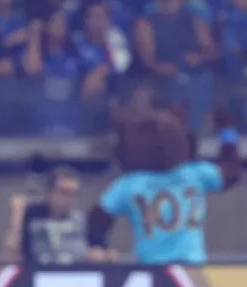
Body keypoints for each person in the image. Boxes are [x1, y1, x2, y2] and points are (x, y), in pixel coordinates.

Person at [87, 108, 241, 263]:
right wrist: (227, 131)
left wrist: (99, 248)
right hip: (192, 268)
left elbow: (97, 219)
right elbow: (231, 172)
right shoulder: (195, 174)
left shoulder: (129, 184)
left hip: (152, 269)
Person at [2, 167, 92, 264]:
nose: (68, 199)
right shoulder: (32, 219)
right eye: (63, 192)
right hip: (38, 271)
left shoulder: (83, 221)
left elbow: (96, 253)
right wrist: (17, 216)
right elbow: (10, 257)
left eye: (73, 194)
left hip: (76, 272)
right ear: (49, 193)